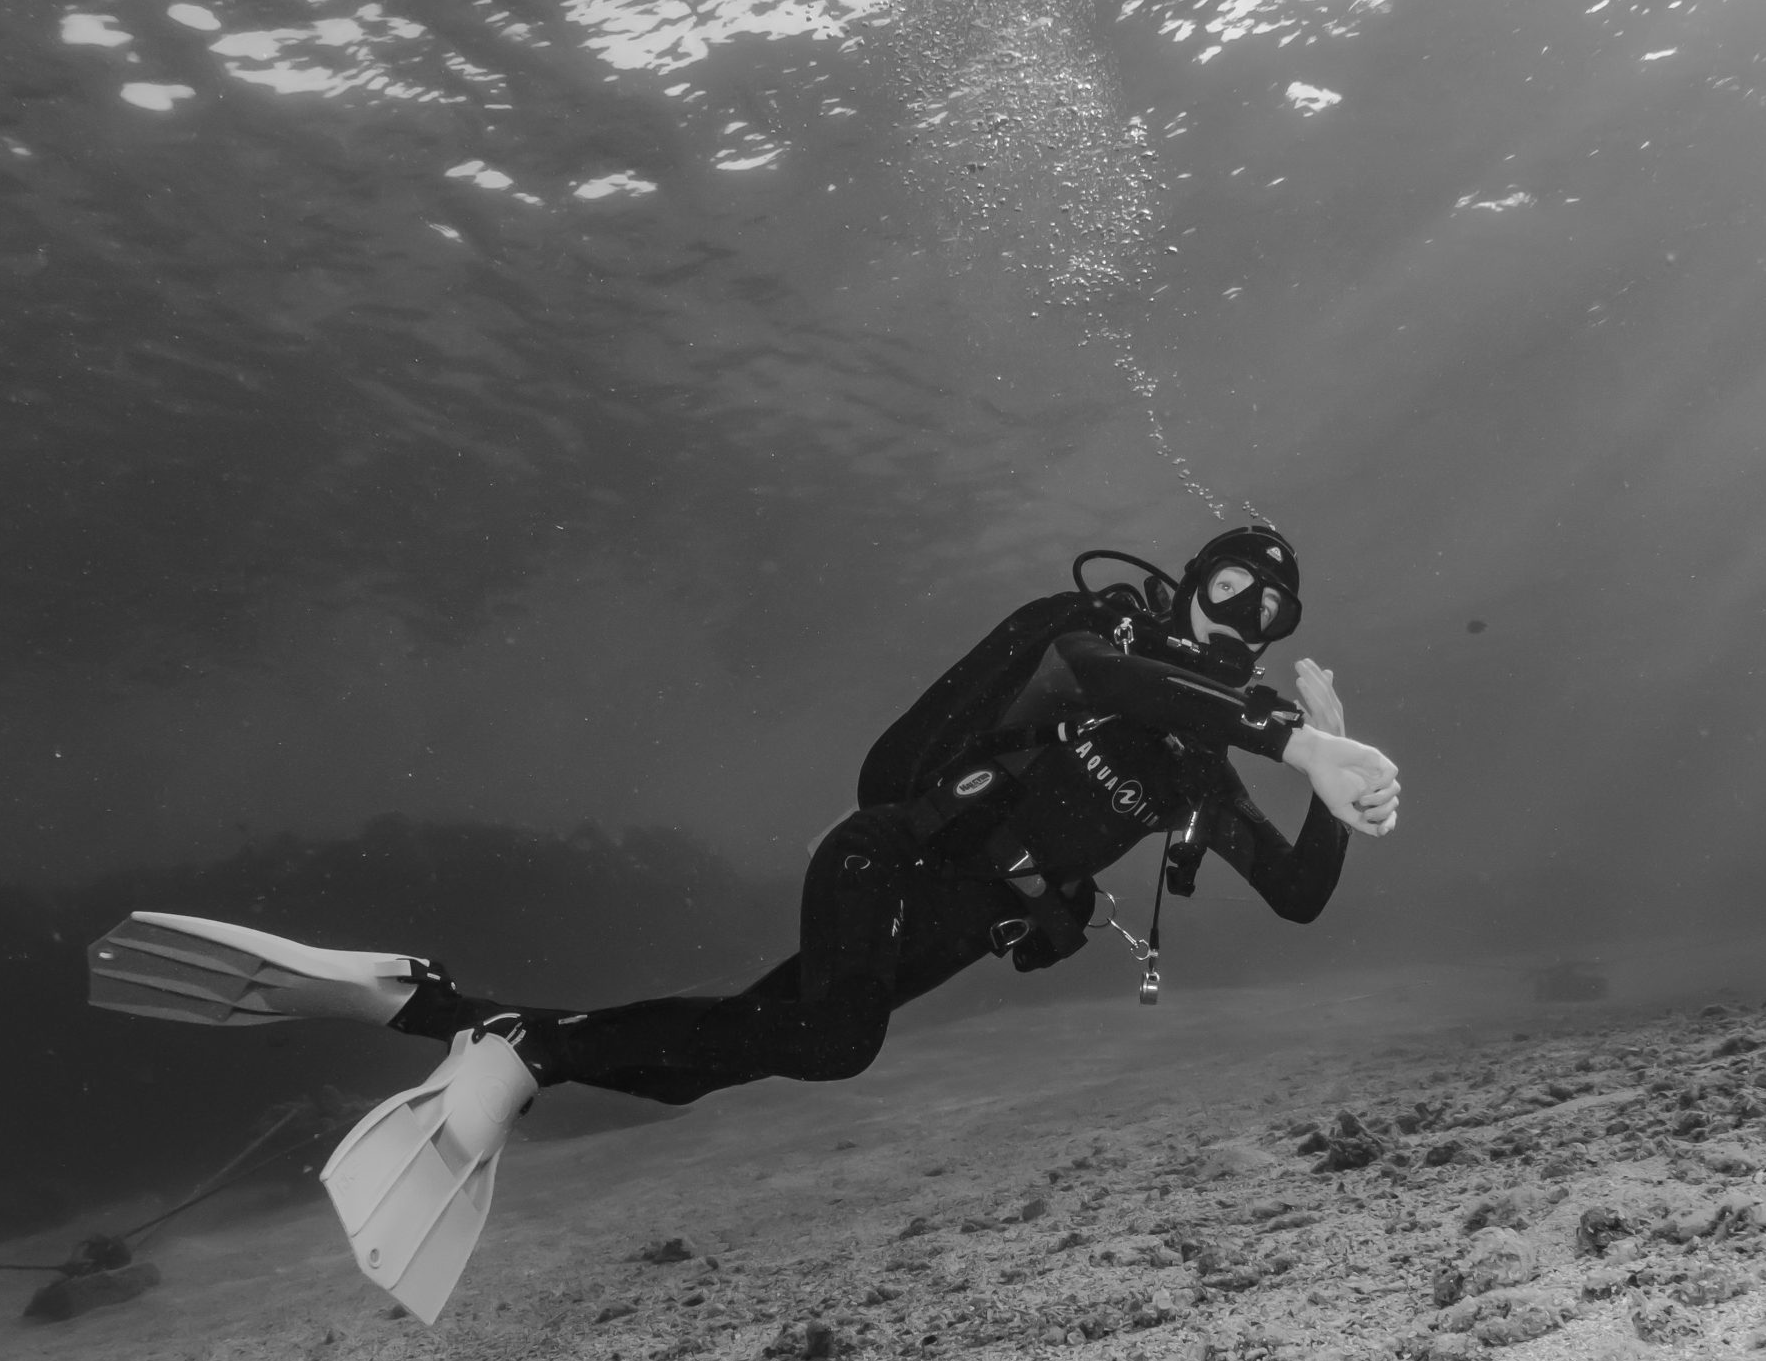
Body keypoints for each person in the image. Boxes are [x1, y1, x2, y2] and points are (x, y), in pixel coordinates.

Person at [87, 525, 1401, 1320]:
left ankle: (441, 1013)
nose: (1241, 621)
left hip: (943, 928)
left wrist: (1326, 756)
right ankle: (510, 1048)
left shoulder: (1194, 762)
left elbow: (1297, 894)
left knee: (732, 1051)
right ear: (1185, 584)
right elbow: (1122, 682)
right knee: (827, 1043)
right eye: (1227, 589)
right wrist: (1293, 736)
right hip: (885, 855)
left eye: (1268, 616)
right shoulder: (1097, 633)